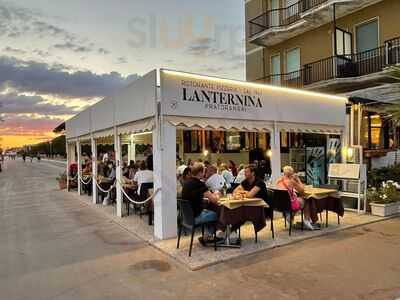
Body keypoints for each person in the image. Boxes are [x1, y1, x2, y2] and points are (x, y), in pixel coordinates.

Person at [181, 162, 220, 244]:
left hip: (186, 218)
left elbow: (194, 196)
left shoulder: (187, 183)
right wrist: (217, 194)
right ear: (200, 173)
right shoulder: (199, 184)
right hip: (196, 217)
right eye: (204, 171)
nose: (205, 173)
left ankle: (207, 235)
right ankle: (209, 236)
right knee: (217, 214)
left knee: (209, 211)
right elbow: (214, 200)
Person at [276, 166, 314, 231]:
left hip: (280, 204)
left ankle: (290, 215)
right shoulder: (291, 181)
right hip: (289, 204)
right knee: (306, 199)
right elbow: (302, 190)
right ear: (291, 174)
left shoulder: (278, 181)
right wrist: (298, 179)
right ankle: (306, 220)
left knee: (296, 200)